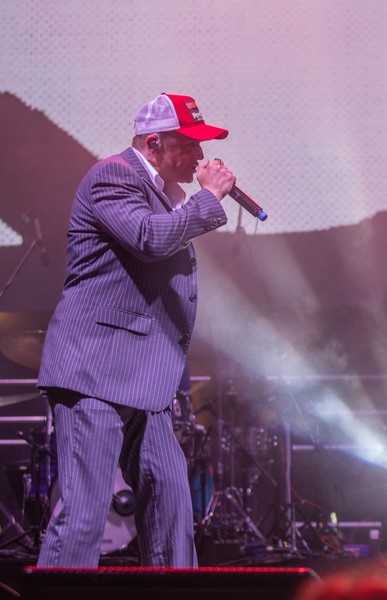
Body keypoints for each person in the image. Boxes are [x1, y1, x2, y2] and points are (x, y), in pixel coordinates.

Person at [36, 93, 235, 567]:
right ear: (153, 144)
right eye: (189, 144)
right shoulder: (113, 176)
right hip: (94, 370)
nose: (200, 155)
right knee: (84, 514)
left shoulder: (165, 194)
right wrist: (208, 198)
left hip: (143, 380)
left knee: (171, 506)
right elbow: (149, 239)